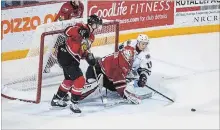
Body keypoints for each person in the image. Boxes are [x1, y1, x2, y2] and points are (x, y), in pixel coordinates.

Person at [50, 14, 103, 113]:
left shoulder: (91, 37)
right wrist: (79, 31)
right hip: (65, 54)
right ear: (91, 23)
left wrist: (88, 56)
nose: (98, 28)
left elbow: (83, 50)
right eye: (97, 25)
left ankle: (56, 99)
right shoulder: (81, 26)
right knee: (80, 80)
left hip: (74, 58)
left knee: (69, 80)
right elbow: (67, 31)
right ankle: (74, 104)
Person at [43, 0, 84, 73]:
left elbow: (80, 20)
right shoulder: (66, 7)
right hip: (61, 31)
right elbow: (60, 22)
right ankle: (47, 65)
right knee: (57, 51)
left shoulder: (81, 6)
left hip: (72, 33)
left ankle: (64, 63)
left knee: (70, 50)